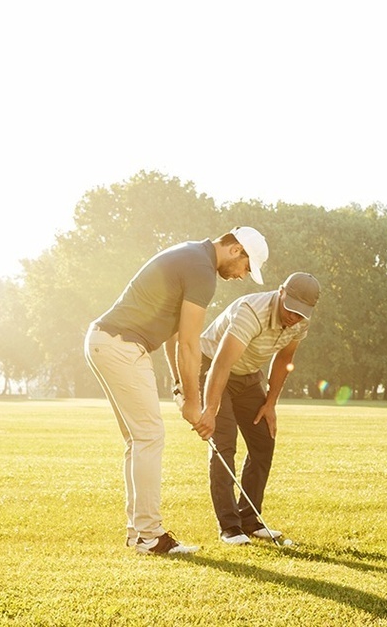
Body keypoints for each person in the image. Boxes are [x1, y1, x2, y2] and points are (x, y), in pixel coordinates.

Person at [84, 227, 268, 555]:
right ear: (236, 250)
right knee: (150, 437)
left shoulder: (192, 255)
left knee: (138, 440)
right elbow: (189, 344)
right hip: (121, 345)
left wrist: (182, 387)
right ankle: (150, 536)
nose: (243, 276)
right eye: (246, 267)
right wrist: (194, 403)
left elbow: (174, 336)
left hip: (106, 342)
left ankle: (138, 532)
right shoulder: (201, 270)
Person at [194, 271, 320, 545]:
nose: (293, 317)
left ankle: (250, 520)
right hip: (213, 368)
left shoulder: (300, 322)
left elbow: (285, 357)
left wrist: (270, 402)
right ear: (281, 292)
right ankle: (230, 527)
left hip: (249, 375)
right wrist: (210, 408)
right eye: (291, 308)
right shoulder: (250, 311)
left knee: (264, 441)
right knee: (224, 443)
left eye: (301, 313)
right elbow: (222, 364)